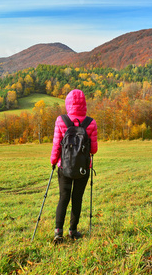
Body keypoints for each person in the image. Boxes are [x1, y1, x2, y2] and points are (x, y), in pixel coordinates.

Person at [50, 89, 98, 243]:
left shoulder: (61, 121)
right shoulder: (91, 123)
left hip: (64, 166)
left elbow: (57, 145)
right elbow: (93, 150)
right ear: (84, 103)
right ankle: (73, 231)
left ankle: (58, 231)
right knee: (77, 198)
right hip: (83, 168)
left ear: (68, 103)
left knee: (63, 197)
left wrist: (53, 161)